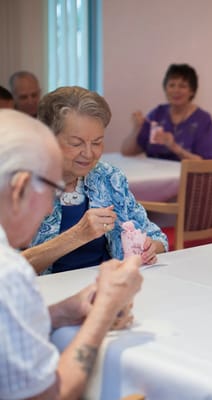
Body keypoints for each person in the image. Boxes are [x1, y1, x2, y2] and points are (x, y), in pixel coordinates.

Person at [0, 109, 143, 399]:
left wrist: (63, 311)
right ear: (19, 190)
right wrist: (104, 310)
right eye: (52, 192)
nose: (52, 209)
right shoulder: (9, 273)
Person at [23, 86, 168, 274]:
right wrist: (77, 235)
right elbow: (8, 268)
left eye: (97, 142)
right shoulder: (20, 184)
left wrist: (150, 247)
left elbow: (157, 237)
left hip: (104, 287)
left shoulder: (108, 177)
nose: (89, 154)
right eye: (76, 143)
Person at [121, 63, 212, 161]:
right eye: (171, 85)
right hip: (154, 173)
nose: (176, 90)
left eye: (182, 86)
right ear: (165, 88)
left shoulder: (203, 120)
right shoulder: (157, 114)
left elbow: (207, 164)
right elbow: (127, 152)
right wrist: (136, 129)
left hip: (185, 175)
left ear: (192, 91)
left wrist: (175, 148)